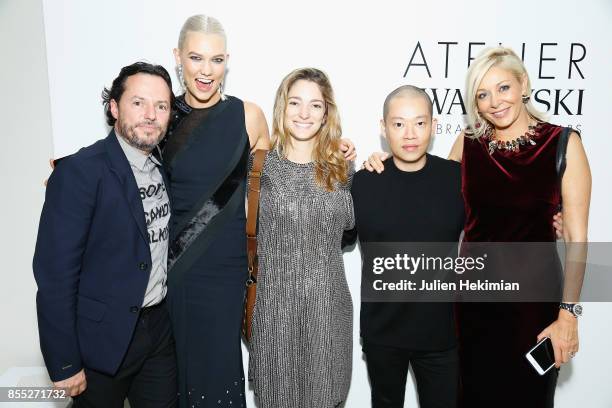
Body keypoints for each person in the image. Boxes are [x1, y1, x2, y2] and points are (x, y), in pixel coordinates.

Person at [163, 16, 355, 407]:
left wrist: (354, 154)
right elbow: (132, 147)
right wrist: (75, 171)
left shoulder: (338, 165)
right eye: (196, 57)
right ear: (178, 57)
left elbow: (349, 226)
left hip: (314, 306)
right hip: (228, 291)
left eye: (215, 59)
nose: (205, 69)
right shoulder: (256, 161)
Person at [447, 46, 590, 407]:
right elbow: (429, 200)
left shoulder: (563, 143)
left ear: (523, 83)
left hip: (534, 308)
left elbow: (576, 238)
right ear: (475, 104)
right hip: (472, 306)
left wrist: (568, 314)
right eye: (482, 94)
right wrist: (381, 162)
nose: (494, 102)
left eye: (503, 88)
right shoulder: (467, 145)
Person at [33, 62, 177, 407]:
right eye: (138, 102)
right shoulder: (80, 173)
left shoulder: (163, 166)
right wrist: (64, 363)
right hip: (101, 342)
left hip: (157, 332)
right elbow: (55, 276)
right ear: (114, 107)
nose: (151, 115)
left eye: (161, 106)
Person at [344, 85, 463, 408]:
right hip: (383, 332)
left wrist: (556, 217)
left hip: (442, 334)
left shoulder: (457, 179)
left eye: (420, 123)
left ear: (434, 125)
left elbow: (503, 222)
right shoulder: (364, 182)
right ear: (383, 128)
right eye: (398, 124)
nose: (409, 134)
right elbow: (337, 235)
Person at [247, 68, 354, 408]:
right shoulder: (257, 168)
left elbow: (352, 232)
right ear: (282, 106)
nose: (304, 114)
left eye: (315, 105)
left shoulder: (344, 169)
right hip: (272, 314)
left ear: (327, 114)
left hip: (328, 312)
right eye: (295, 103)